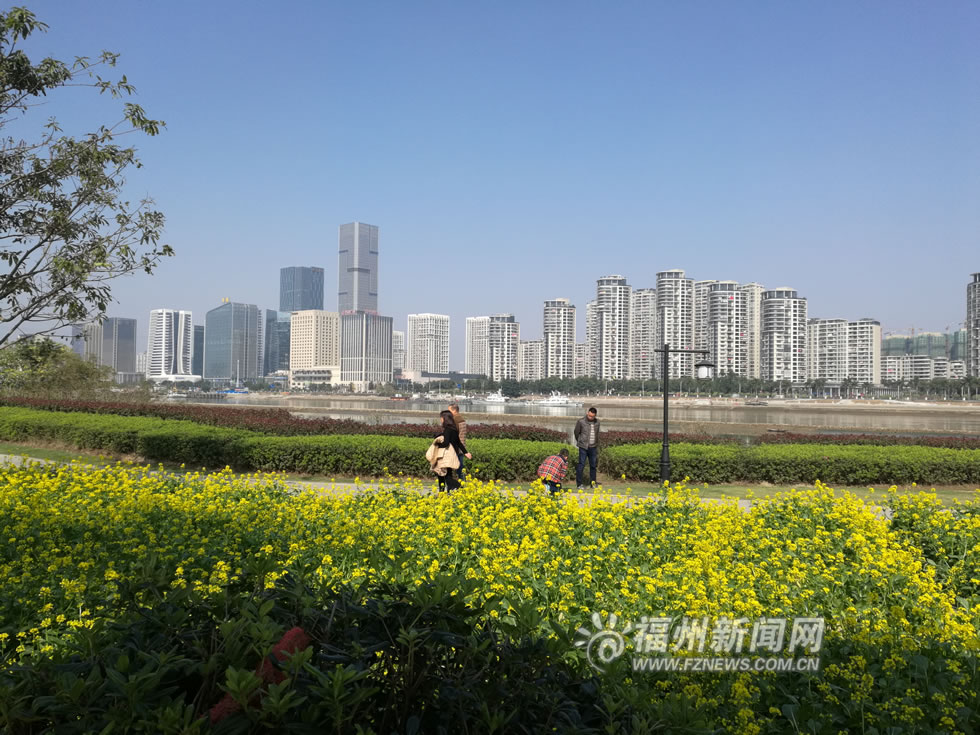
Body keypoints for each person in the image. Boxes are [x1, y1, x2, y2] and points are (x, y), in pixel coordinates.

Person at [435, 409, 471, 492]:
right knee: (447, 474)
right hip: (453, 455)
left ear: (444, 419)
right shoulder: (453, 429)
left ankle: (457, 487)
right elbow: (458, 442)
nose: (440, 419)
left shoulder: (448, 429)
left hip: (446, 456)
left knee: (443, 475)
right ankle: (448, 492)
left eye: (441, 418)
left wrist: (437, 444)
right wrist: (466, 452)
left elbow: (446, 443)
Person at [573, 407, 600, 489]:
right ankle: (579, 484)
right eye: (589, 415)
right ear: (587, 413)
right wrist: (580, 441)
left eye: (592, 416)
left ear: (595, 416)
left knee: (593, 466)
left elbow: (597, 433)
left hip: (593, 447)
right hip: (583, 447)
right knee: (581, 465)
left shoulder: (597, 422)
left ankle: (593, 483)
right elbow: (576, 432)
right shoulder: (581, 421)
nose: (590, 417)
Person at [447, 402, 467, 480]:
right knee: (460, 467)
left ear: (454, 410)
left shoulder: (455, 420)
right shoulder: (462, 419)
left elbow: (453, 434)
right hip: (461, 446)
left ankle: (457, 484)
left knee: (454, 467)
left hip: (455, 447)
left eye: (449, 411)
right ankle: (462, 483)